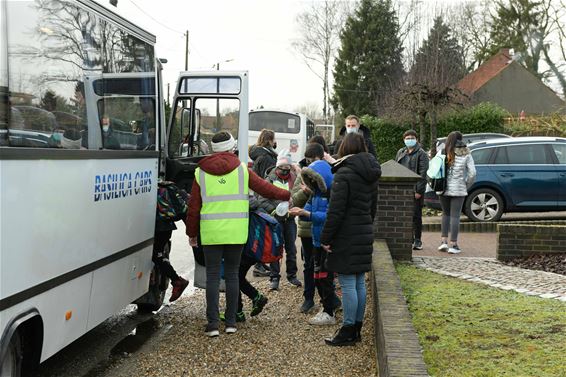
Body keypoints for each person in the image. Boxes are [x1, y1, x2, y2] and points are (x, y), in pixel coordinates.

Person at [186, 131, 290, 337]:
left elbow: (193, 207)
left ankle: (213, 325)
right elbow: (267, 189)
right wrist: (287, 194)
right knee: (233, 276)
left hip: (211, 234)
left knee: (213, 278)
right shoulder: (242, 170)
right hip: (236, 233)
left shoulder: (200, 173)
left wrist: (192, 233)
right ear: (232, 147)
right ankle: (231, 322)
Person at [321, 132, 381, 346]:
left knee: (347, 282)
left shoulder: (344, 174)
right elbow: (372, 208)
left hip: (346, 234)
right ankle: (356, 328)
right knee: (358, 283)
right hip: (364, 231)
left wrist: (326, 238)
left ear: (344, 149)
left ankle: (347, 329)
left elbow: (335, 211)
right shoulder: (371, 173)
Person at [290, 143, 336, 325]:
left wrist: (305, 214)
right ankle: (327, 307)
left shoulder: (328, 193)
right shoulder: (316, 193)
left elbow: (328, 216)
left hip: (325, 241)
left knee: (325, 277)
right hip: (317, 240)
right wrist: (296, 210)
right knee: (317, 275)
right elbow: (305, 206)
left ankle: (329, 311)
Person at [257, 149, 302, 290]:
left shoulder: (294, 178)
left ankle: (292, 276)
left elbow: (299, 196)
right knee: (275, 248)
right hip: (275, 220)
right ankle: (274, 278)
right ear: (277, 167)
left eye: (287, 168)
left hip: (289, 219)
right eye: (281, 168)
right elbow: (261, 200)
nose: (284, 171)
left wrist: (293, 206)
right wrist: (274, 211)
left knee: (291, 248)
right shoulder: (269, 180)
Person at [437, 131, 476, 254]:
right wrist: (466, 184)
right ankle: (453, 245)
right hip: (459, 188)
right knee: (455, 216)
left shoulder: (443, 151)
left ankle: (443, 242)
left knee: (446, 214)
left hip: (443, 188)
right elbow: (472, 173)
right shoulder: (466, 153)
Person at [249, 129, 278, 277]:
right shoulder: (267, 157)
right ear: (269, 140)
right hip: (264, 196)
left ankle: (259, 263)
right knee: (265, 230)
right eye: (274, 140)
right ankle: (259, 265)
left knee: (260, 228)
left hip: (257, 194)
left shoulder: (258, 154)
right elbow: (269, 178)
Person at [154, 183, 189, 302]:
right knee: (159, 255)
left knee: (157, 255)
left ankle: (177, 281)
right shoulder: (165, 185)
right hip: (167, 225)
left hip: (160, 227)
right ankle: (176, 280)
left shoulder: (153, 187)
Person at [395, 130, 429, 250]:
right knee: (404, 215)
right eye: (407, 138)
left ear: (416, 139)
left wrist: (419, 191)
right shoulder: (401, 152)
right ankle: (407, 238)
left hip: (415, 190)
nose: (409, 140)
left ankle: (418, 239)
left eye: (412, 138)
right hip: (402, 189)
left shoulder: (421, 153)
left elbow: (423, 173)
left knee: (416, 215)